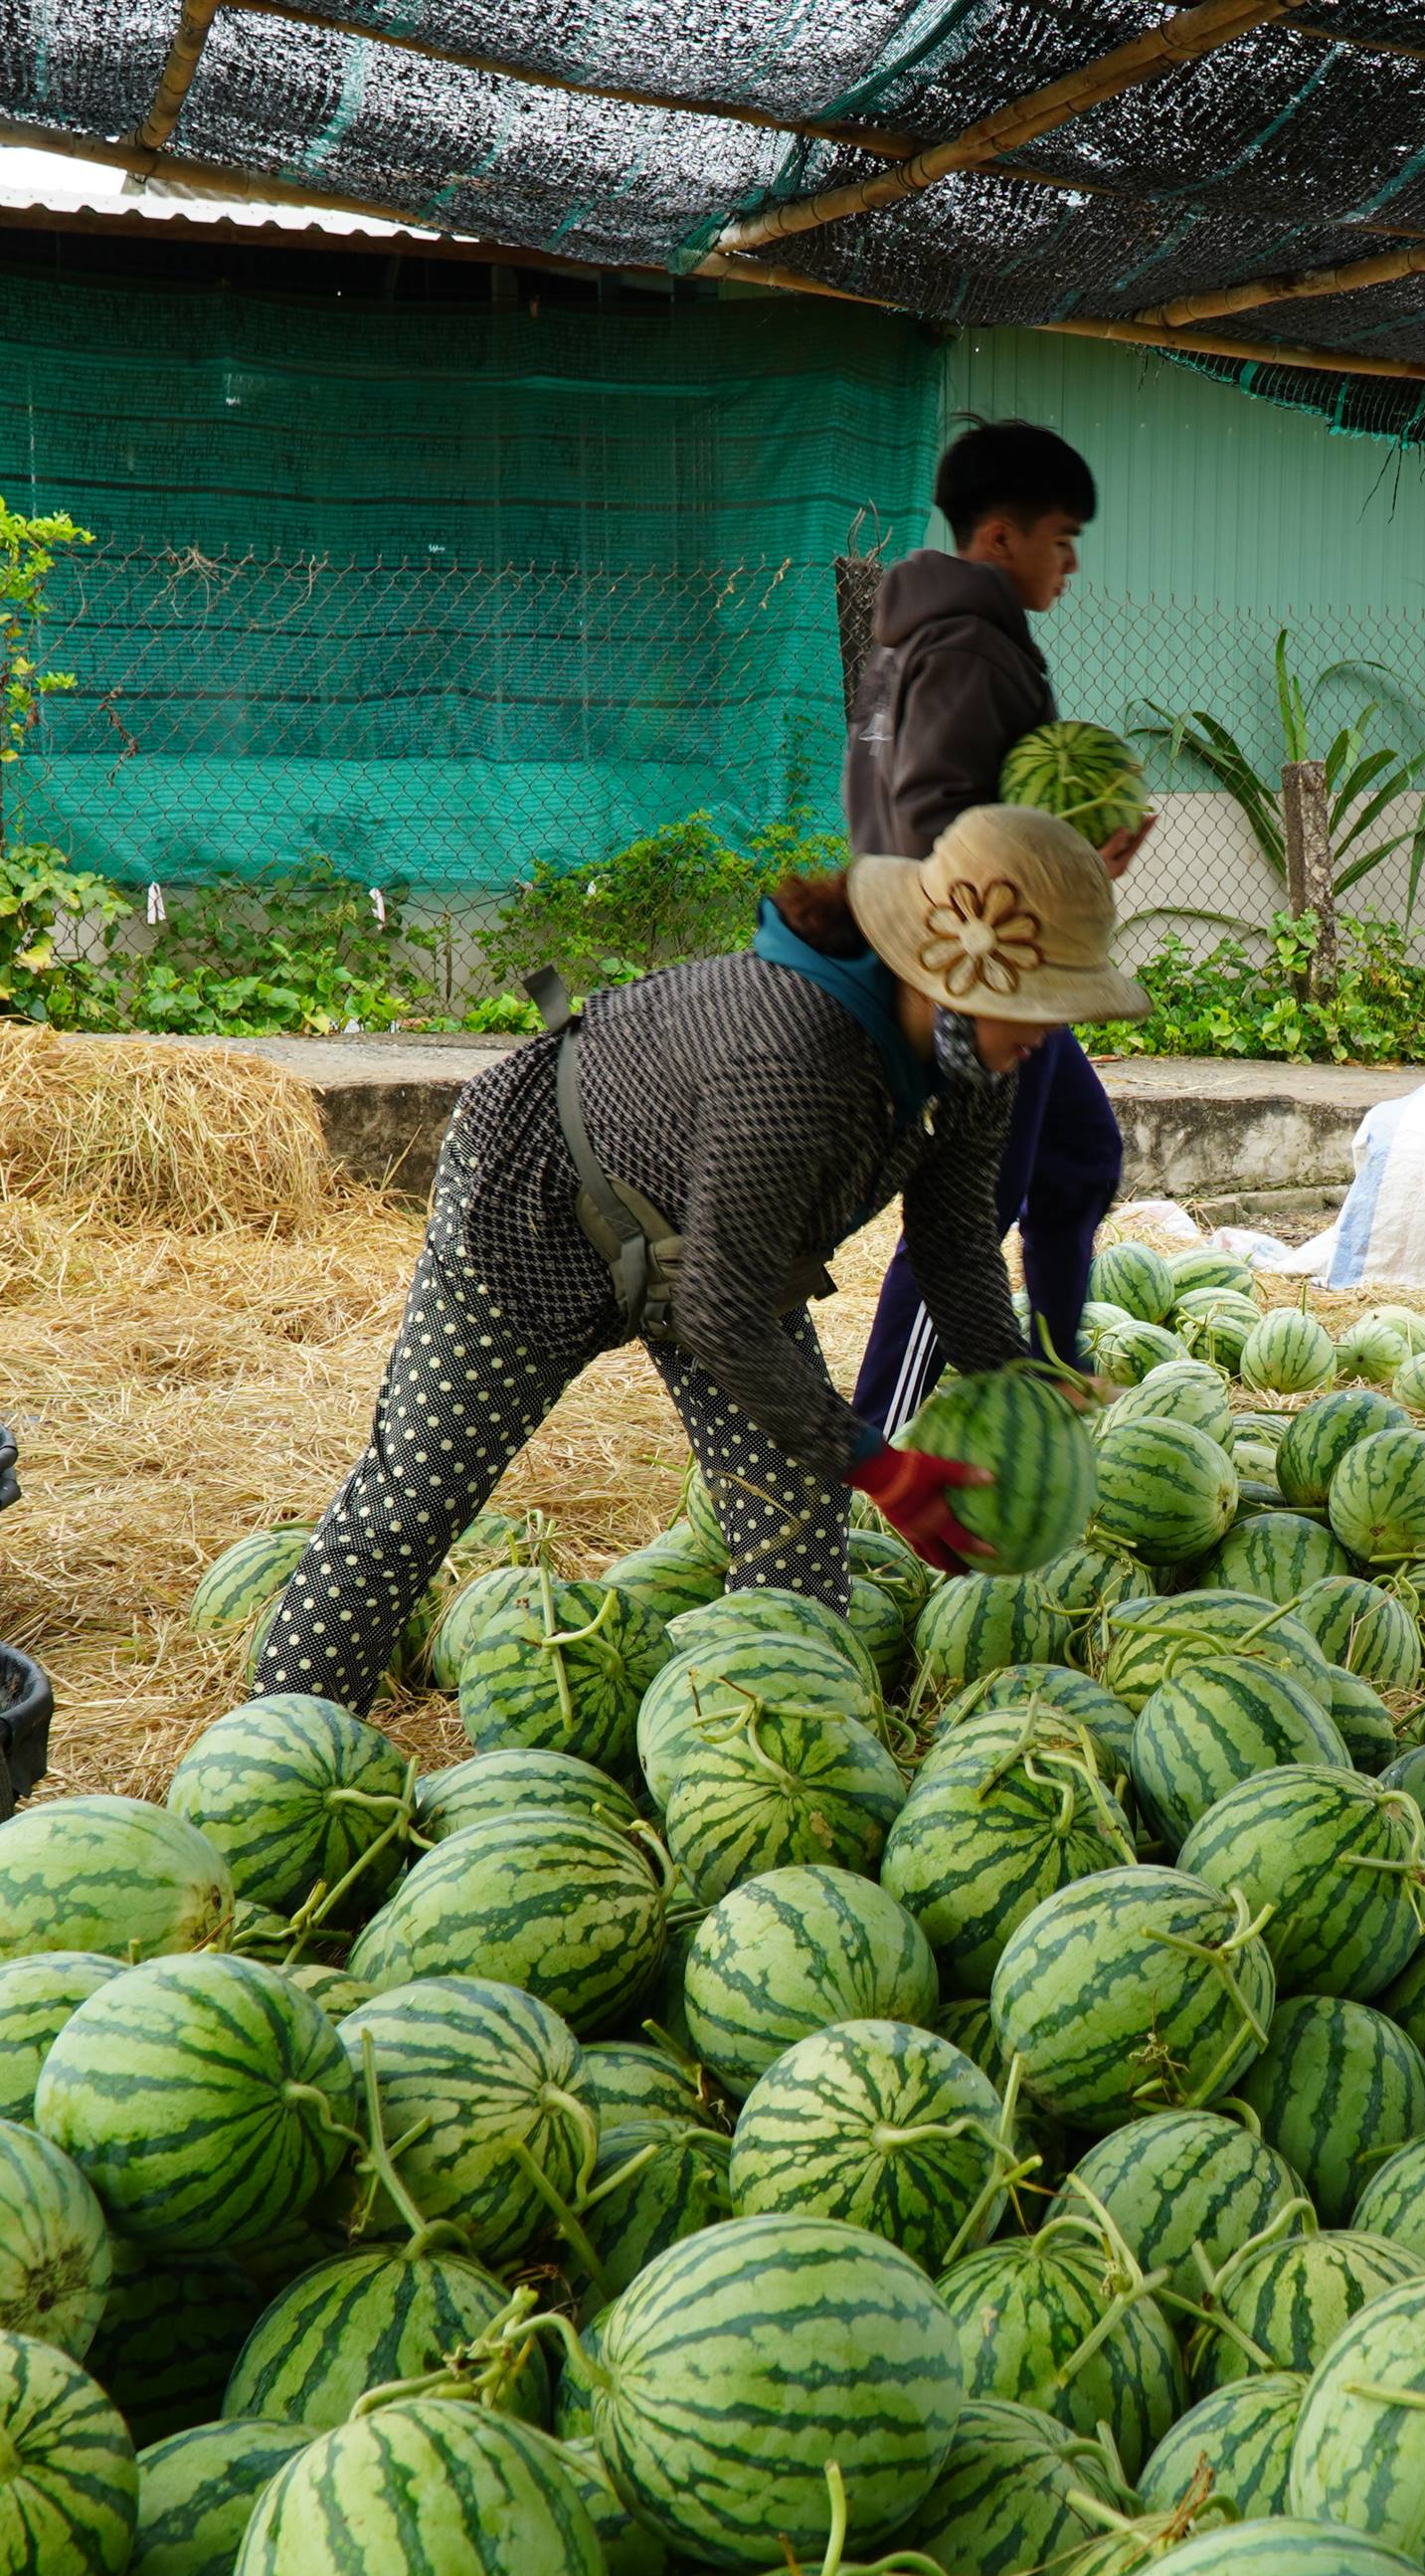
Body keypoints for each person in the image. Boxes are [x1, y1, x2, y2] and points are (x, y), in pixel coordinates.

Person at [248, 806, 1147, 1709]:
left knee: (797, 1501)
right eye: (1039, 1006)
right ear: (951, 979)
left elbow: (953, 1244)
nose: (1049, 1034)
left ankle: (776, 1721)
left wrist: (1015, 1378)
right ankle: (288, 1725)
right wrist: (881, 1466)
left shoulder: (980, 1066)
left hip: (715, 1246)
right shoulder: (796, 1055)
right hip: (533, 1207)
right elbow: (720, 1313)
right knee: (419, 1493)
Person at [845, 419, 1146, 1430]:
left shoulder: (945, 635)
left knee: (1080, 1158)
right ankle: (880, 1439)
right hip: (975, 966)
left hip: (997, 953)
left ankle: (1053, 1368)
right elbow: (935, 825)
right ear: (1000, 536)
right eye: (1062, 538)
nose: (1071, 563)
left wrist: (1068, 859)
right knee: (966, 1218)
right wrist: (1072, 859)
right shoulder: (967, 648)